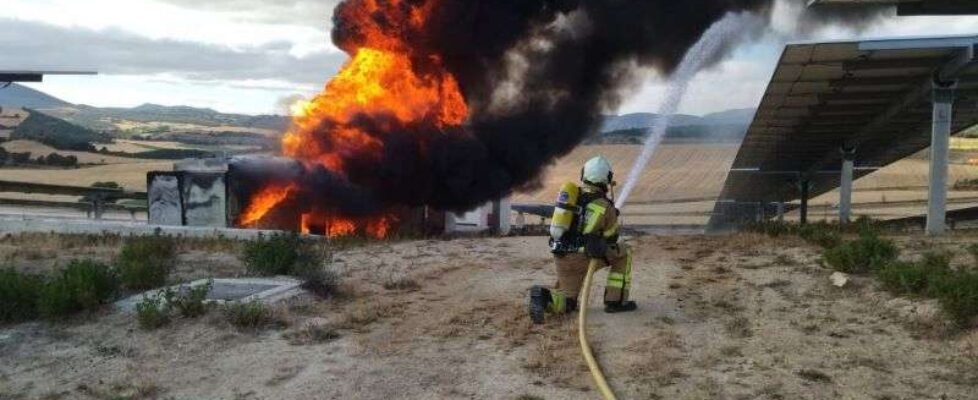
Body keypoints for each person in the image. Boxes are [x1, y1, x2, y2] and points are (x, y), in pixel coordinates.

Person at [529, 156, 636, 324]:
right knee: (624, 253)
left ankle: (544, 298)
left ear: (583, 174)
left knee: (568, 302)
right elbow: (612, 238)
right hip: (585, 258)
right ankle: (616, 301)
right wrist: (612, 216)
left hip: (561, 258)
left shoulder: (571, 198)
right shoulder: (604, 205)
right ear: (607, 179)